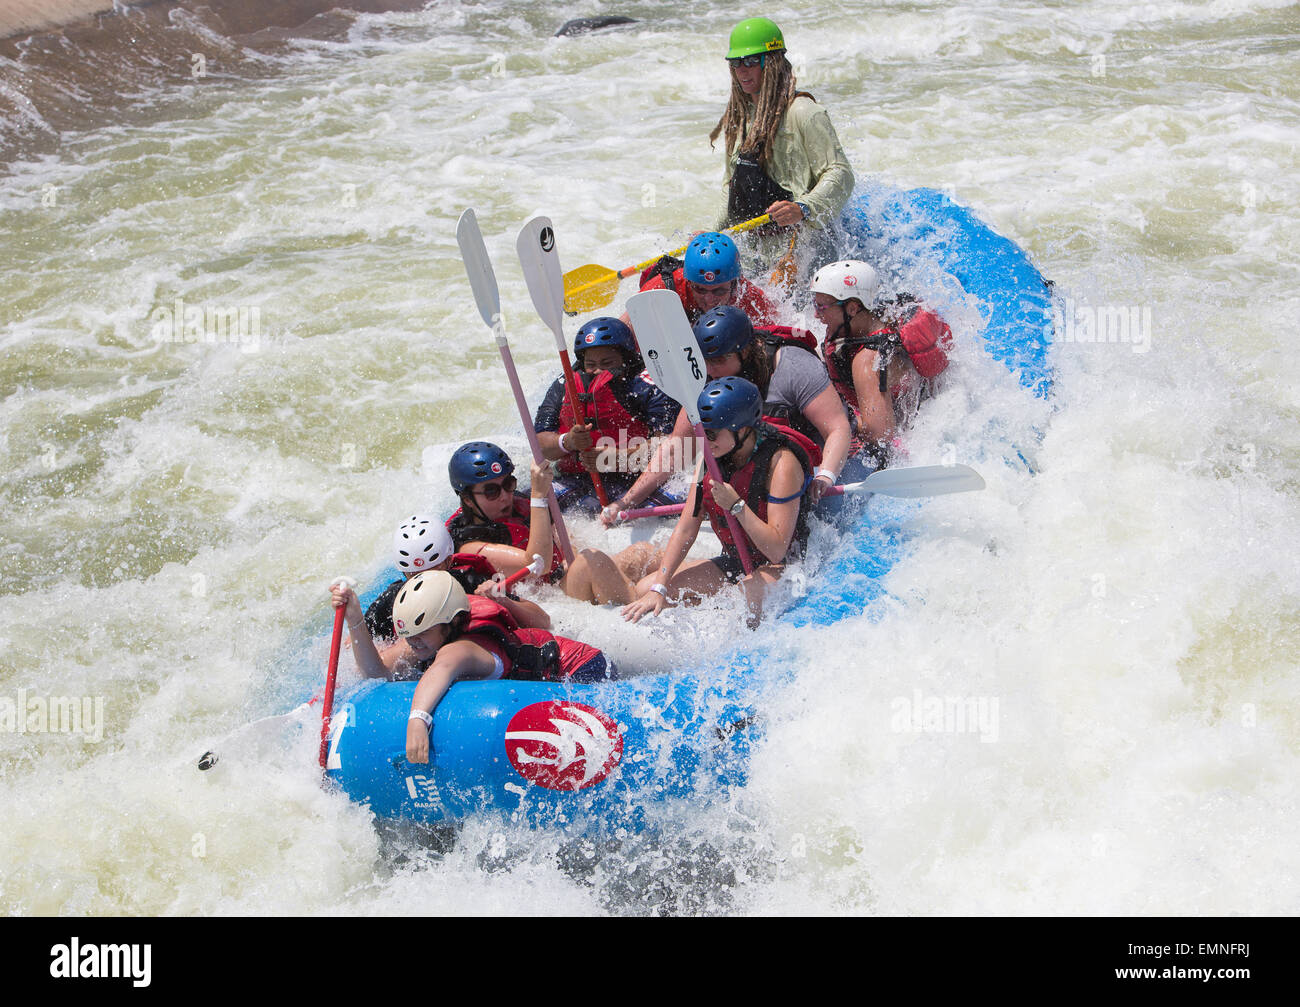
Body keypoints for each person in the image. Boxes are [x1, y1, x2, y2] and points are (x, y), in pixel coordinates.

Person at [622, 377, 811, 626]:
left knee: (747, 599)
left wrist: (737, 507)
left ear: (742, 430)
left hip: (786, 566)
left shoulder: (781, 464)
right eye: (700, 434)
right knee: (647, 588)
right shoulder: (713, 458)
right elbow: (686, 527)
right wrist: (660, 587)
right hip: (738, 561)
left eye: (711, 435)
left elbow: (776, 550)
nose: (704, 442)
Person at [396, 572, 616, 764]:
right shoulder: (436, 635)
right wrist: (358, 623)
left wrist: (418, 719)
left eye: (422, 632)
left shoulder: (459, 649)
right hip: (555, 676)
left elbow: (442, 668)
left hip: (583, 668)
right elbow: (381, 668)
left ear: (450, 622)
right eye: (407, 636)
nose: (413, 641)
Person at [710, 17, 854, 281]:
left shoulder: (804, 112)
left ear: (772, 62)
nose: (742, 70)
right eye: (736, 62)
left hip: (805, 250)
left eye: (752, 61)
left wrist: (803, 207)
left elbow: (842, 175)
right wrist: (712, 236)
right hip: (758, 253)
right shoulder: (740, 120)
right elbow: (729, 187)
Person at [445, 441, 646, 605]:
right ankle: (639, 611)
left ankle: (652, 597)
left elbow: (569, 548)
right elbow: (537, 564)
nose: (505, 496)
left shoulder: (520, 506)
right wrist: (539, 495)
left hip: (561, 584)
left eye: (508, 484)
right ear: (468, 500)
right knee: (590, 562)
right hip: (548, 605)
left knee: (641, 553)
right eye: (491, 491)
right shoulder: (470, 545)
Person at [810, 260, 952, 463]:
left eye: (822, 307)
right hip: (923, 400)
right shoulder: (882, 318)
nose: (816, 314)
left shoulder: (867, 361)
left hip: (910, 431)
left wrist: (833, 416)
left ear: (852, 308)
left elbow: (880, 435)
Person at [533, 317, 679, 512]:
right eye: (590, 364)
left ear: (626, 358)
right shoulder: (564, 383)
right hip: (577, 479)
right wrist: (568, 441)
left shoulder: (648, 385)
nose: (597, 371)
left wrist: (617, 459)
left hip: (639, 482)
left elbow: (675, 447)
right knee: (528, 503)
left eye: (607, 363)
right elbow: (540, 445)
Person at [361, 515, 497, 642]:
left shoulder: (468, 582)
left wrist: (500, 597)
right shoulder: (392, 598)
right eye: (415, 575)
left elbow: (516, 607)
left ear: (449, 562)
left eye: (432, 571)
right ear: (404, 573)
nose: (425, 582)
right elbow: (354, 645)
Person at [631, 231, 780, 326]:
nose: (709, 300)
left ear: (734, 284)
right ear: (688, 281)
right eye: (700, 289)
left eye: (719, 291)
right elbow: (623, 330)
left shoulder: (751, 299)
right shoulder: (662, 288)